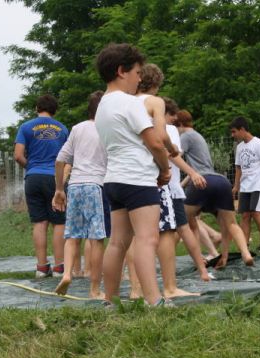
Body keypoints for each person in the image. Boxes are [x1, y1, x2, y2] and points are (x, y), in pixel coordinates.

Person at [94, 43, 171, 306]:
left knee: (117, 243)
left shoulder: (102, 105)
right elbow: (156, 143)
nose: (140, 78)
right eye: (137, 72)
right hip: (137, 179)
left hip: (113, 181)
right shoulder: (129, 103)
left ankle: (110, 301)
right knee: (147, 240)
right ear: (121, 71)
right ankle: (154, 301)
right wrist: (165, 169)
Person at [136, 64, 195, 297]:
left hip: (125, 177)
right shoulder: (154, 103)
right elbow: (159, 139)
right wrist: (168, 159)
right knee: (166, 231)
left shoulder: (121, 103)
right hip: (152, 178)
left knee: (130, 236)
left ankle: (136, 289)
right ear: (156, 84)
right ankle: (170, 287)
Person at [177, 110, 254, 267]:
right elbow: (197, 168)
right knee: (230, 223)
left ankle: (198, 258)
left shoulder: (185, 136)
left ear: (179, 124)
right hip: (221, 181)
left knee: (183, 221)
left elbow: (175, 156)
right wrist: (181, 185)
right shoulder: (198, 137)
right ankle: (242, 254)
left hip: (203, 183)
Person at [52, 91, 109, 298]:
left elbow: (60, 161)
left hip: (74, 186)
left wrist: (59, 189)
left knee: (72, 236)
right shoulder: (108, 130)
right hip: (96, 186)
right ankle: (94, 289)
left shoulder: (77, 129)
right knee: (96, 239)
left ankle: (66, 274)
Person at [14, 94, 69, 278]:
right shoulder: (62, 129)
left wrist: (31, 167)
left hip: (33, 178)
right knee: (58, 222)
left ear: (37, 108)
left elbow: (18, 155)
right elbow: (68, 157)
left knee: (39, 222)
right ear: (55, 110)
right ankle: (59, 267)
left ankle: (42, 267)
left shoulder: (26, 127)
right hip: (55, 179)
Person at [162, 97, 210, 282]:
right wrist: (192, 173)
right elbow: (173, 155)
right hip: (169, 187)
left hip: (166, 187)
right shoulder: (169, 130)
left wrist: (192, 173)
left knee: (179, 229)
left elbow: (172, 155)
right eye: (172, 115)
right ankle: (201, 270)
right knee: (183, 228)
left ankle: (199, 270)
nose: (174, 119)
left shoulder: (164, 130)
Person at [230, 117, 260, 253]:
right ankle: (244, 247)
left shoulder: (259, 144)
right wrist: (236, 186)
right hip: (245, 187)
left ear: (242, 129)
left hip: (259, 185)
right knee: (245, 215)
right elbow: (238, 168)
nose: (233, 135)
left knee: (256, 213)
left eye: (234, 132)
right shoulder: (239, 147)